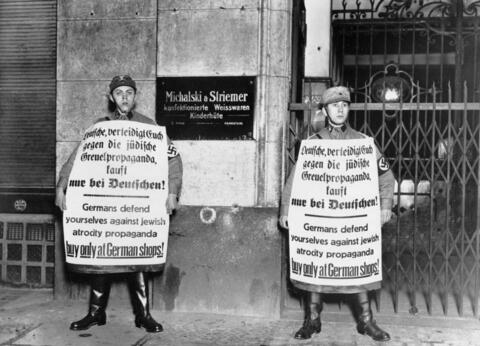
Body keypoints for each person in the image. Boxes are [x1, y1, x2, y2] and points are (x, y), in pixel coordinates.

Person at [55, 75, 183, 333]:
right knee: (101, 257)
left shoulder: (150, 128)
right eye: (119, 93)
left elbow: (173, 159)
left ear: (135, 97)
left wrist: (172, 193)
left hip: (135, 207)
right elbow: (76, 160)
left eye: (129, 92)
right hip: (106, 208)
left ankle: (143, 315)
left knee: (137, 260)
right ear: (111, 97)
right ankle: (95, 313)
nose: (124, 97)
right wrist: (61, 187)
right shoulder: (100, 127)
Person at [279, 86, 394, 342]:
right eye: (334, 105)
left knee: (357, 265)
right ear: (326, 110)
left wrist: (385, 205)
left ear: (348, 109)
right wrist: (286, 210)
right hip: (321, 220)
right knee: (317, 260)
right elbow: (294, 179)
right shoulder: (312, 144)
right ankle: (312, 320)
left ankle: (366, 321)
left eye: (344, 105)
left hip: (353, 222)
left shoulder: (364, 143)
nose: (340, 109)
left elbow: (386, 175)